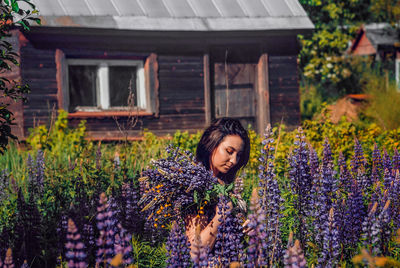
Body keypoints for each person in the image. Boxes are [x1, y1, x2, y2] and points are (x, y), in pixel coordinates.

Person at [184, 117, 251, 258]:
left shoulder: (225, 184)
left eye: (238, 155)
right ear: (211, 144)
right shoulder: (193, 188)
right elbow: (195, 252)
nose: (234, 161)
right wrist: (221, 215)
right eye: (229, 151)